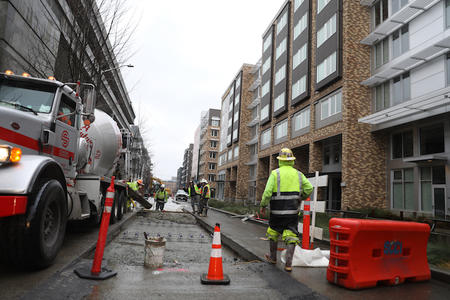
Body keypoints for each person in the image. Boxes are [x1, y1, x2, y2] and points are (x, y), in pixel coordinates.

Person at [260, 148, 313, 272]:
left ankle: (273, 258)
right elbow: (309, 188)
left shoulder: (275, 173)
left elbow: (267, 192)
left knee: (273, 232)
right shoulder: (299, 174)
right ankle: (288, 264)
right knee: (291, 235)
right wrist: (301, 197)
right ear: (292, 160)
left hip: (276, 212)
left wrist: (263, 205)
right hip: (292, 212)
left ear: (280, 161)